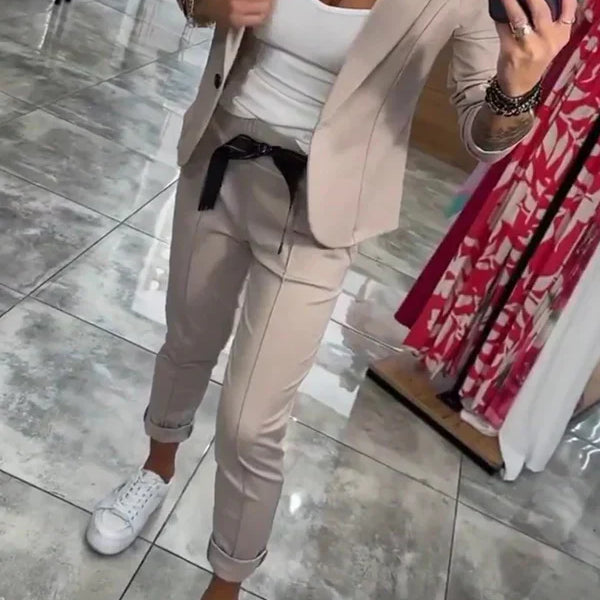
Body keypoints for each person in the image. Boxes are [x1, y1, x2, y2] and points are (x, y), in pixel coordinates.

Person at [85, 0, 575, 598]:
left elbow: (484, 135)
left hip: (319, 213)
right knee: (187, 341)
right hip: (218, 162)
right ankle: (155, 469)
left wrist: (516, 91)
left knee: (251, 422)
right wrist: (207, 7)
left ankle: (227, 580)